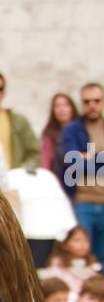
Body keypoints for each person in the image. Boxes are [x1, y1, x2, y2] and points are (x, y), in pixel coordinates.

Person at [59, 82, 104, 261]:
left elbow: (83, 163)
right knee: (81, 258)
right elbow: (73, 166)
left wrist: (89, 157)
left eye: (96, 100)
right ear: (81, 103)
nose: (92, 105)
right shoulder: (71, 130)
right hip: (82, 202)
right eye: (87, 101)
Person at [44, 225, 102, 295]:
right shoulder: (57, 264)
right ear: (64, 244)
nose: (83, 244)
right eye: (77, 240)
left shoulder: (93, 264)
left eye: (86, 240)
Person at [40, 92, 79, 172]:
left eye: (65, 105)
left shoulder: (82, 130)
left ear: (72, 108)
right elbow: (45, 163)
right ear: (53, 111)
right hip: (58, 180)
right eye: (57, 106)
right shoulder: (49, 135)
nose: (62, 109)